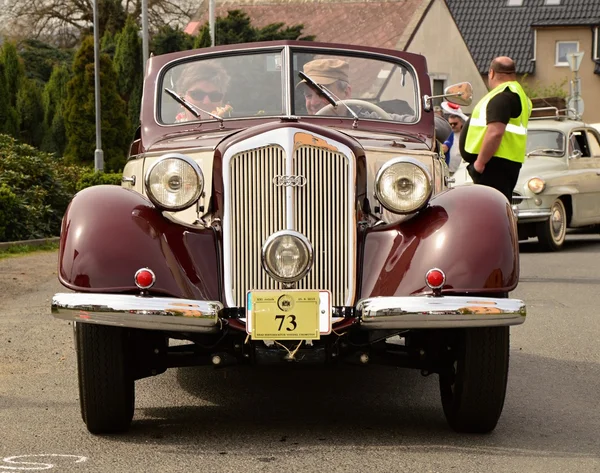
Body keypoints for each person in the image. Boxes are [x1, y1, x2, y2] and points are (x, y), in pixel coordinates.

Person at [459, 56, 532, 202]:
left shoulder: (502, 96)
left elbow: (495, 132)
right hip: (506, 163)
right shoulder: (518, 94)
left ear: (491, 73)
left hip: (492, 165)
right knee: (498, 209)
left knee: (490, 211)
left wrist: (479, 164)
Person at [297, 58, 413, 121]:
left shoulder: (366, 120)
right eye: (308, 95)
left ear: (346, 92)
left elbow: (408, 122)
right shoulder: (299, 127)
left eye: (322, 93)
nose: (313, 103)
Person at [441, 101, 468, 174]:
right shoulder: (449, 134)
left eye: (455, 124)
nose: (452, 126)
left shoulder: (466, 134)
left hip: (463, 170)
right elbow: (446, 145)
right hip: (449, 170)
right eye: (450, 124)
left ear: (461, 122)